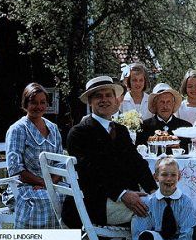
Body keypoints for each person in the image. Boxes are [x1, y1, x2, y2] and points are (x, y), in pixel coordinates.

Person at [62, 76, 157, 228]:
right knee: (158, 209)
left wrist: (153, 189)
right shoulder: (79, 133)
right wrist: (122, 194)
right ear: (90, 101)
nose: (104, 100)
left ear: (116, 100)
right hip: (92, 205)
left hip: (119, 199)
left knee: (163, 201)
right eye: (98, 96)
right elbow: (90, 173)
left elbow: (137, 162)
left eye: (108, 95)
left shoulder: (120, 130)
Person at [5, 83, 63, 228]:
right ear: (25, 104)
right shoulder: (17, 129)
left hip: (51, 183)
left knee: (75, 196)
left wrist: (50, 183)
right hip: (24, 187)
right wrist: (43, 184)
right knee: (47, 200)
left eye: (42, 102)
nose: (38, 107)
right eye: (33, 102)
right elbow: (15, 169)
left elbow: (60, 162)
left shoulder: (53, 128)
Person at [132, 158, 196, 240]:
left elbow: (187, 231)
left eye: (173, 175)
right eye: (164, 175)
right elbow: (139, 231)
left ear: (179, 177)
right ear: (156, 177)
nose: (169, 179)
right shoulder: (149, 202)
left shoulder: (185, 202)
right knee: (145, 236)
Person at [135, 83, 192, 152]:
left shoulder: (186, 127)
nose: (165, 106)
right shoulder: (143, 127)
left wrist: (179, 149)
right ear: (155, 104)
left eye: (168, 102)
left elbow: (190, 152)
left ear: (173, 104)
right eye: (162, 102)